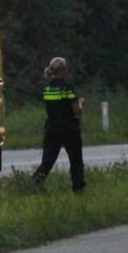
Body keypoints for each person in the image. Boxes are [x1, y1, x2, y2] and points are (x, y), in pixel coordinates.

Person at [31, 57, 86, 193]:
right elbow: (77, 111)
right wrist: (81, 103)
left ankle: (33, 184)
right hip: (69, 129)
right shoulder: (67, 88)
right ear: (63, 70)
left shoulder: (47, 89)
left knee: (48, 161)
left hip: (52, 128)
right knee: (76, 161)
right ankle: (78, 188)